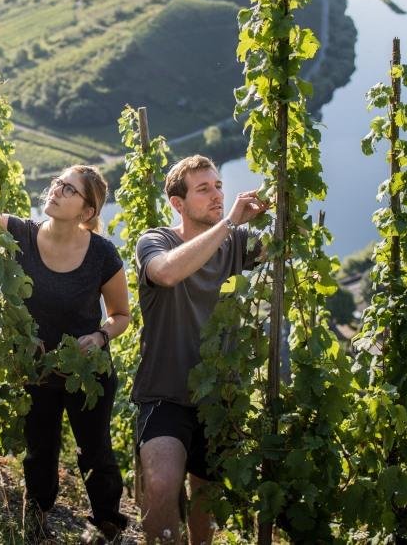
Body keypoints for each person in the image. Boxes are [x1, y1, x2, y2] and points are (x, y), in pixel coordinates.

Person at [0, 164, 131, 540]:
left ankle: (108, 524)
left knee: (96, 453)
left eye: (69, 189)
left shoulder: (102, 254)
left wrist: (100, 337)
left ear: (87, 211)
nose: (56, 190)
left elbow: (121, 315)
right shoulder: (19, 233)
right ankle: (36, 522)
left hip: (87, 372)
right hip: (37, 370)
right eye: (58, 183)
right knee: (39, 451)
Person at [132, 155, 267, 544]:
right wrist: (231, 223)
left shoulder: (236, 243)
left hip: (219, 398)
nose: (217, 196)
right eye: (204, 189)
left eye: (219, 186)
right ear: (178, 203)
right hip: (165, 394)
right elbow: (166, 273)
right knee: (161, 485)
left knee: (206, 502)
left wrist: (275, 199)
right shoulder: (156, 241)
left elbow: (289, 242)